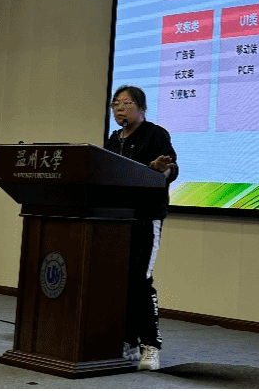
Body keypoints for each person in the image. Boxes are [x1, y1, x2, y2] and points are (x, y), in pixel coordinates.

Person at [103, 85, 177, 372]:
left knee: (140, 281)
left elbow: (171, 168)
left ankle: (150, 346)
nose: (120, 108)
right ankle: (127, 340)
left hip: (146, 217)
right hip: (117, 218)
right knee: (118, 280)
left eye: (126, 103)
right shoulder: (114, 139)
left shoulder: (155, 134)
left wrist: (161, 169)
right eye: (116, 104)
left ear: (142, 109)